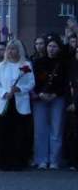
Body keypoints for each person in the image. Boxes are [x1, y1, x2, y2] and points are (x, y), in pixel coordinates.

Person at [0, 40, 36, 171]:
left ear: (19, 50)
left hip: (20, 103)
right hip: (5, 102)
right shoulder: (2, 65)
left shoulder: (26, 65)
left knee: (19, 133)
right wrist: (4, 93)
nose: (11, 52)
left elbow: (31, 83)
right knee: (4, 132)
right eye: (9, 49)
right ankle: (4, 161)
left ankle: (19, 161)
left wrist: (19, 89)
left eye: (14, 49)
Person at [32, 34, 69, 169]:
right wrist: (40, 93)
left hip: (57, 98)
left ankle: (54, 160)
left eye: (54, 46)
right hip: (40, 99)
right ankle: (41, 159)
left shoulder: (63, 64)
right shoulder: (38, 62)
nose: (51, 49)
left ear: (59, 48)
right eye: (49, 46)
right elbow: (33, 80)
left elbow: (65, 82)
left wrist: (55, 94)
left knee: (56, 129)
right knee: (40, 130)